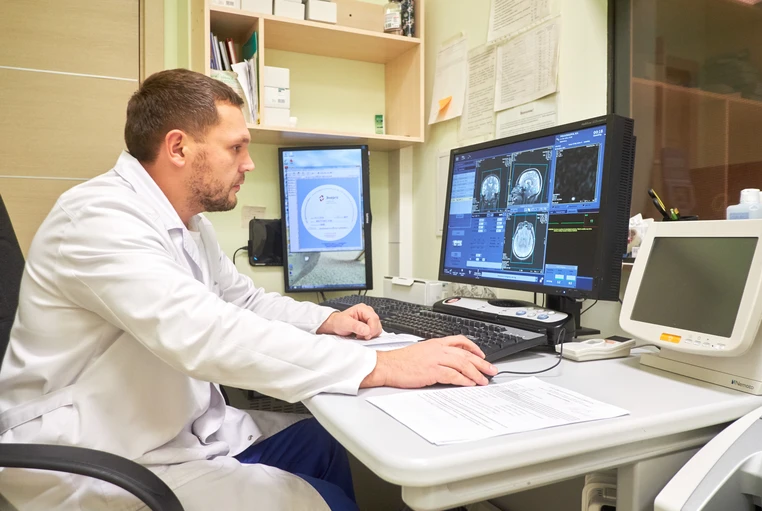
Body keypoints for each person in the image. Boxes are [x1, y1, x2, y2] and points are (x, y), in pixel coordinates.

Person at [0, 69, 497, 511]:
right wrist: (382, 366)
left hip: (171, 433)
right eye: (236, 147)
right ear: (178, 148)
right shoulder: (97, 218)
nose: (249, 163)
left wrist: (326, 319)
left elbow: (242, 300)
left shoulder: (190, 225)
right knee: (332, 504)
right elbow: (205, 332)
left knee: (324, 444)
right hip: (99, 459)